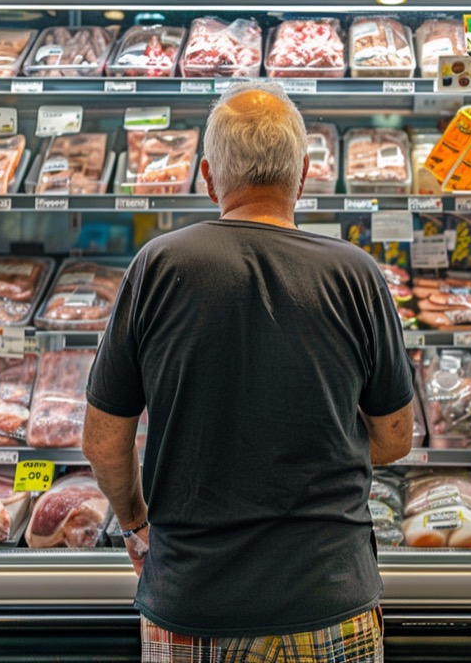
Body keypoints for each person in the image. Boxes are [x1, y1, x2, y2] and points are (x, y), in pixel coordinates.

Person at [82, 82, 414, 662]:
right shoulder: (356, 274)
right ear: (304, 175)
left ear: (208, 178)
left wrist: (135, 523)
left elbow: (104, 440)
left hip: (192, 603)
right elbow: (395, 437)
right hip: (330, 598)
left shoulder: (157, 265)